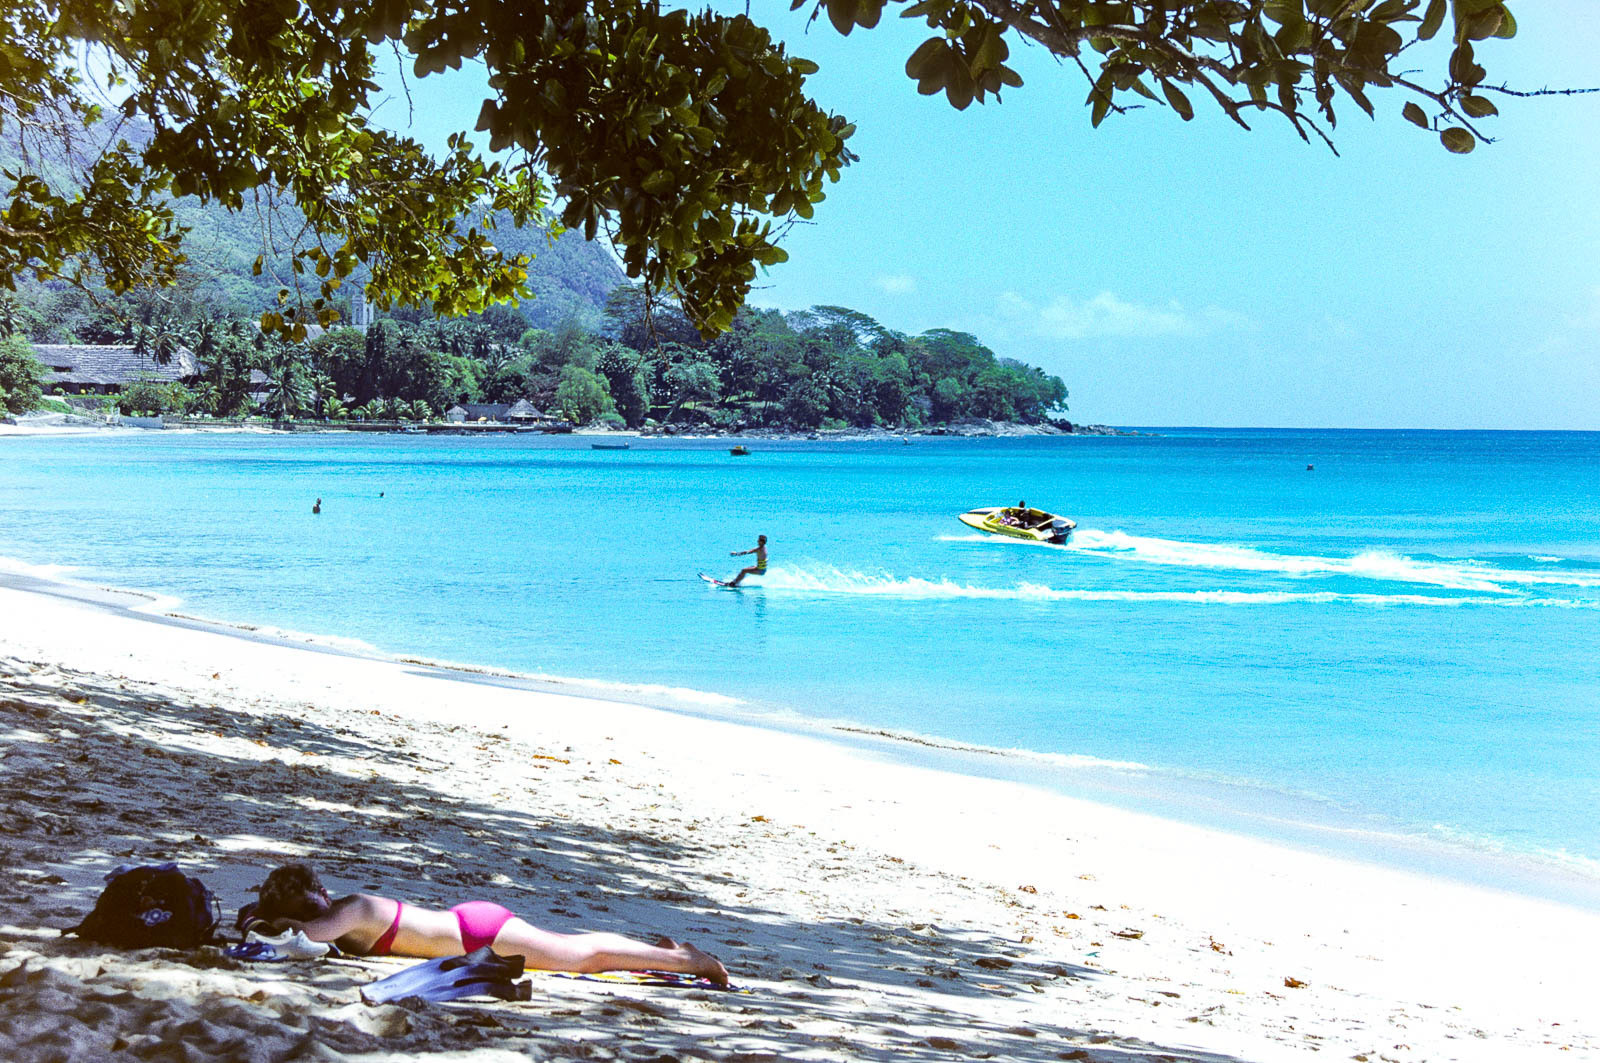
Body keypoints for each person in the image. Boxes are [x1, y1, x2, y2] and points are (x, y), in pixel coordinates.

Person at [240, 863, 729, 984]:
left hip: (479, 932)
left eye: (314, 893)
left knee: (586, 959)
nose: (319, 899)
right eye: (310, 898)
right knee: (575, 948)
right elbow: (300, 938)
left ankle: (687, 958)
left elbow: (296, 941)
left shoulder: (353, 908)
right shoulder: (337, 916)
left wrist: (269, 919)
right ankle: (658, 948)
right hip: (469, 928)